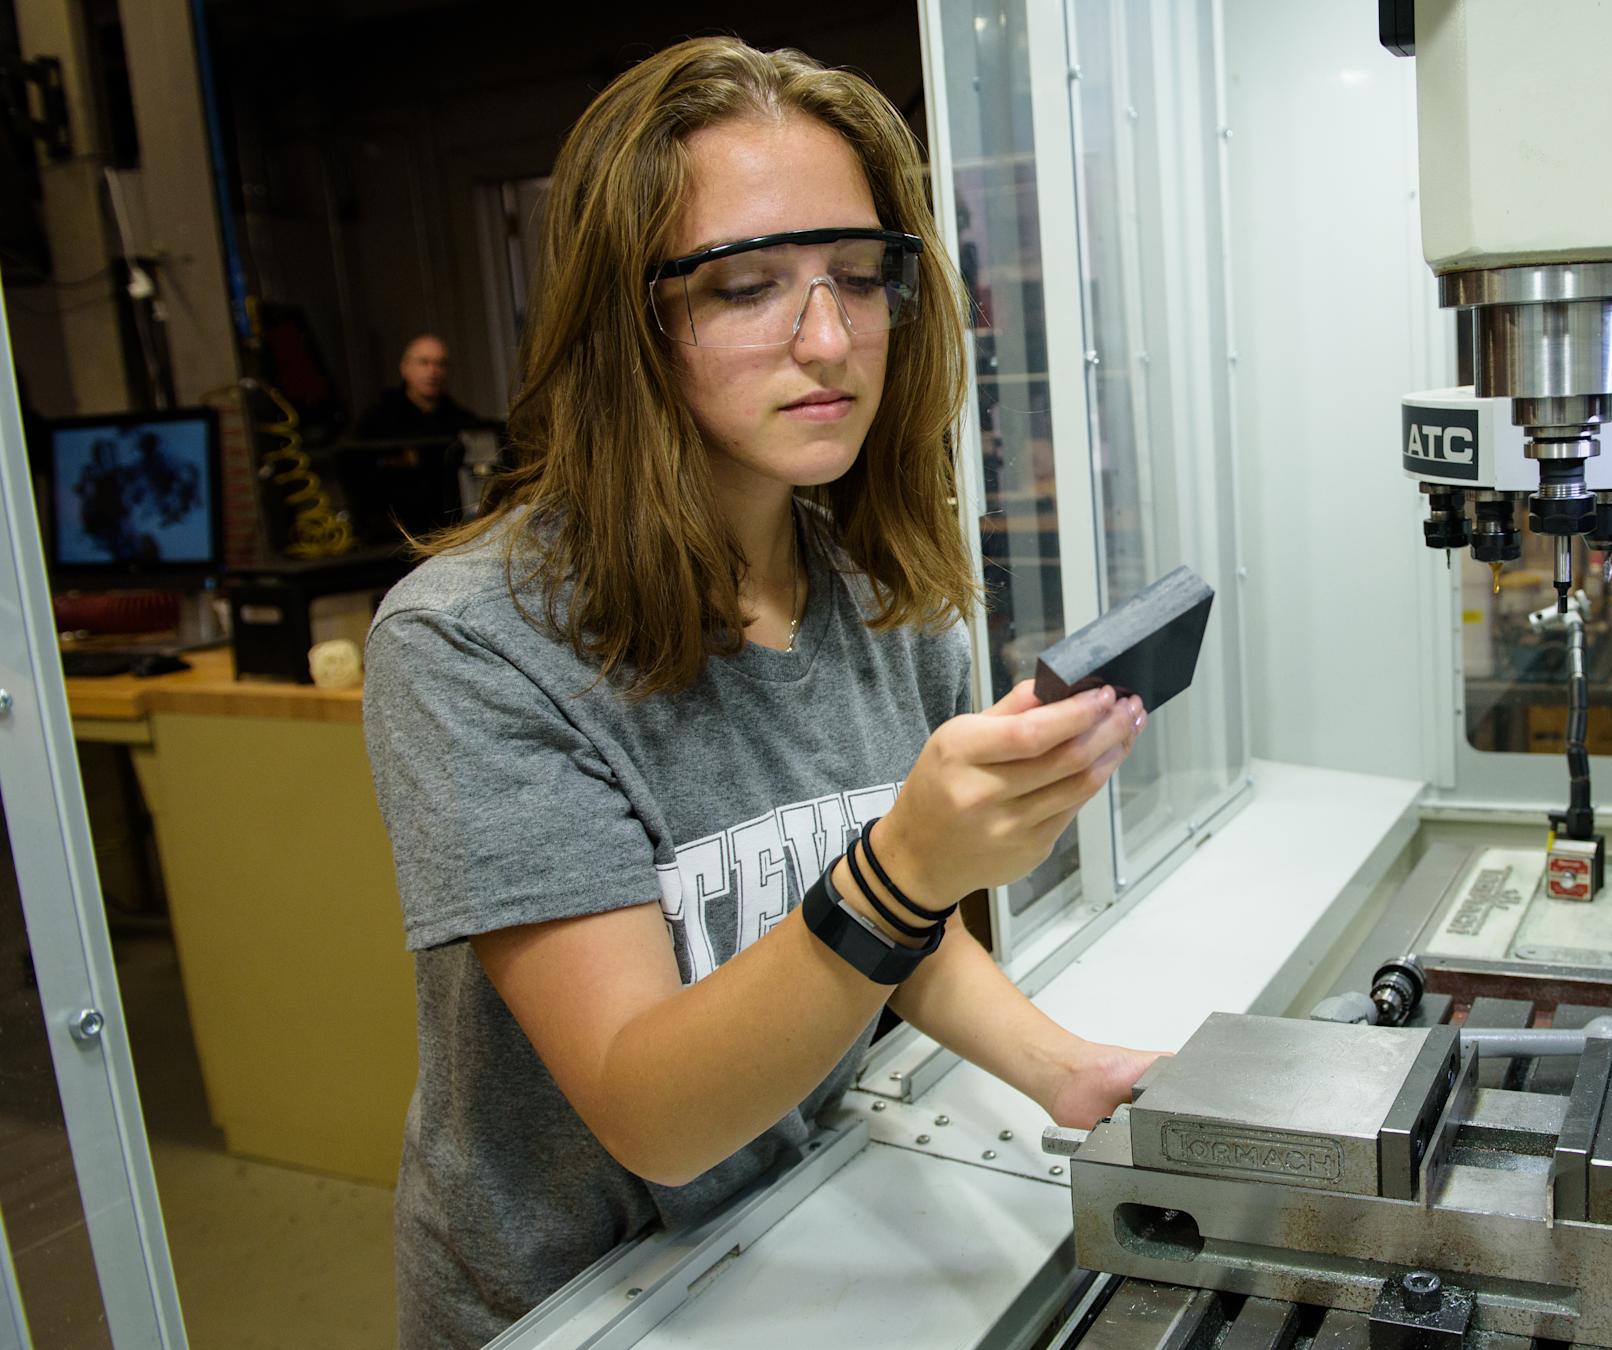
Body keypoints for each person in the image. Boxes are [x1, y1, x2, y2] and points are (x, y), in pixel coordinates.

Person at [360, 38, 1156, 1346]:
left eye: (859, 276)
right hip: (581, 1298)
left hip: (797, 1227)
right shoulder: (474, 647)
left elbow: (907, 946)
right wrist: (906, 864)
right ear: (633, 324)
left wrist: (1065, 1068)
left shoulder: (889, 597)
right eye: (745, 285)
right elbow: (646, 1108)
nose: (830, 337)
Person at [354, 333, 482, 440]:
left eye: (440, 364)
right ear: (405, 368)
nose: (433, 371)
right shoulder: (378, 421)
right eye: (423, 363)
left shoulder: (464, 421)